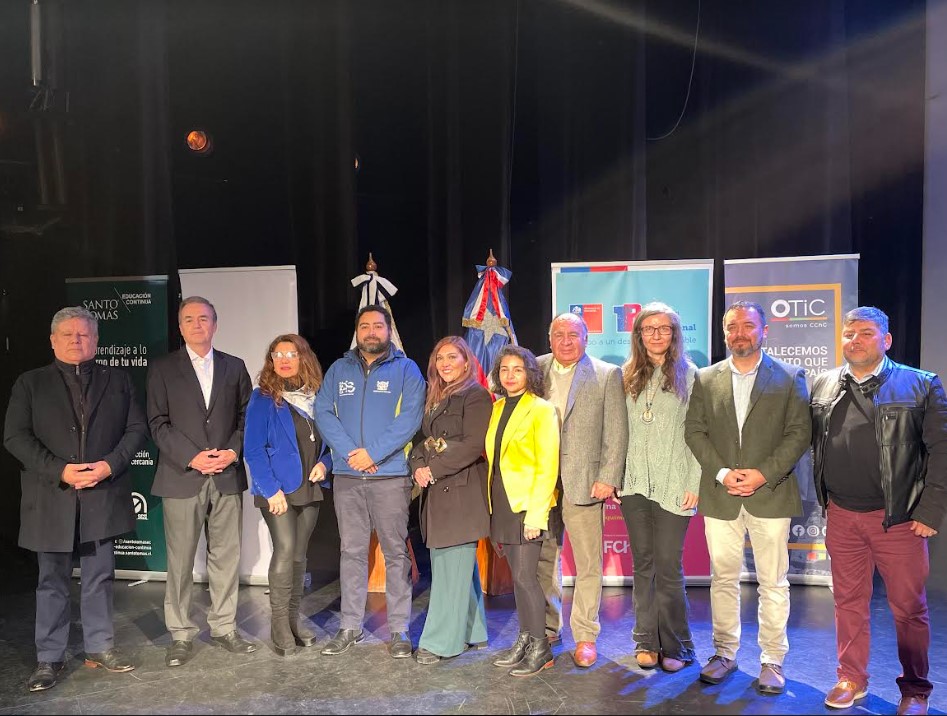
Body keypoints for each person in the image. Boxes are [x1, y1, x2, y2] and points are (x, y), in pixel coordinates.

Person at [4, 307, 147, 691]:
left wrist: (109, 465)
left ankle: (100, 647)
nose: (76, 340)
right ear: (52, 341)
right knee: (51, 581)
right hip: (52, 496)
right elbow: (15, 437)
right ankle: (49, 657)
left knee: (99, 576)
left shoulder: (118, 380)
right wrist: (59, 470)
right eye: (67, 335)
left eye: (83, 335)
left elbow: (137, 428)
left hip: (103, 493)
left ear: (96, 341)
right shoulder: (29, 383)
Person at [811, 307, 946, 716]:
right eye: (848, 333)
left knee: (908, 609)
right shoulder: (823, 384)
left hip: (901, 520)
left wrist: (931, 509)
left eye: (865, 333)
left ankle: (916, 689)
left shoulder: (921, 385)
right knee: (849, 602)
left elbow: (941, 451)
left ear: (885, 340)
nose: (854, 340)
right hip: (842, 515)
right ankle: (851, 678)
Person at [684, 300, 810, 695]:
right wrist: (723, 474)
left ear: (764, 330)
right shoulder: (705, 379)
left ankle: (772, 660)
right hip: (721, 495)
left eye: (749, 326)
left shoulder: (790, 376)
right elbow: (695, 432)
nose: (740, 333)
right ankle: (724, 653)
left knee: (773, 581)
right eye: (733, 326)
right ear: (724, 333)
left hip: (769, 493)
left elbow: (799, 434)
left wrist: (762, 474)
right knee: (723, 578)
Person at [147, 296, 255, 668]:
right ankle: (180, 633)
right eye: (189, 319)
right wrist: (192, 456)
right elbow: (157, 423)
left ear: (215, 324)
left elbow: (246, 419)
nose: (197, 324)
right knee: (179, 560)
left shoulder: (235, 366)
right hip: (182, 475)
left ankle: (224, 627)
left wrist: (232, 452)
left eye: (204, 318)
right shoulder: (162, 369)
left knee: (226, 557)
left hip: (226, 475)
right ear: (180, 327)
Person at [314, 305, 425, 658]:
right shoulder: (338, 369)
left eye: (378, 325)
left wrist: (373, 454)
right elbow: (323, 412)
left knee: (395, 553)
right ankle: (349, 627)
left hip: (390, 476)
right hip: (348, 476)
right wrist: (350, 454)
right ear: (357, 332)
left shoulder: (406, 369)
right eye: (365, 326)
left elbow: (409, 419)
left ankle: (399, 630)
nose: (371, 332)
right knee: (351, 552)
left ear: (389, 330)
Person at [535, 312, 628, 668]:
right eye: (558, 334)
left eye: (573, 334)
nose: (566, 341)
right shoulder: (534, 370)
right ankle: (548, 626)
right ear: (549, 338)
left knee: (588, 563)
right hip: (542, 484)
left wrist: (609, 476)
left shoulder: (606, 375)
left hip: (586, 481)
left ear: (586, 338)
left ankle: (586, 635)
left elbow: (617, 431)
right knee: (545, 558)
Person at [618, 302, 700, 673]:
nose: (655, 335)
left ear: (674, 334)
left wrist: (694, 481)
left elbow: (700, 434)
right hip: (634, 485)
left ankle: (678, 646)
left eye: (663, 328)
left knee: (668, 566)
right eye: (648, 329)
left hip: (675, 483)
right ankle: (646, 642)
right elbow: (616, 433)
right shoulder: (624, 375)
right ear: (638, 335)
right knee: (643, 565)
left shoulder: (692, 375)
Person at [244, 334, 332, 656]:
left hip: (309, 485)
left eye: (290, 354)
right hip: (277, 491)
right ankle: (279, 625)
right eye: (277, 354)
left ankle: (294, 621)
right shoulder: (263, 398)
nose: (283, 359)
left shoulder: (317, 398)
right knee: (285, 550)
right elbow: (253, 450)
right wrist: (270, 490)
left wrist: (326, 463)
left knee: (299, 555)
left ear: (302, 358)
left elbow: (331, 442)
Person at [409, 337, 491, 664]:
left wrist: (432, 468)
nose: (445, 363)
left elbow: (473, 445)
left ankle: (442, 642)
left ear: (466, 361)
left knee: (449, 571)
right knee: (454, 566)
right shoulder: (436, 398)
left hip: (461, 492)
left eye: (452, 357)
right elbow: (425, 442)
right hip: (439, 490)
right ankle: (473, 630)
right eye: (439, 357)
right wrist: (418, 464)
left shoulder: (476, 395)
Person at [486, 345, 560, 677]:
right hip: (502, 503)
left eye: (517, 369)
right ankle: (526, 639)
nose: (510, 375)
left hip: (527, 506)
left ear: (529, 373)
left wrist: (536, 515)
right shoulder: (499, 407)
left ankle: (541, 648)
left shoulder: (542, 409)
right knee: (518, 580)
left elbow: (548, 466)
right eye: (504, 369)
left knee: (527, 578)